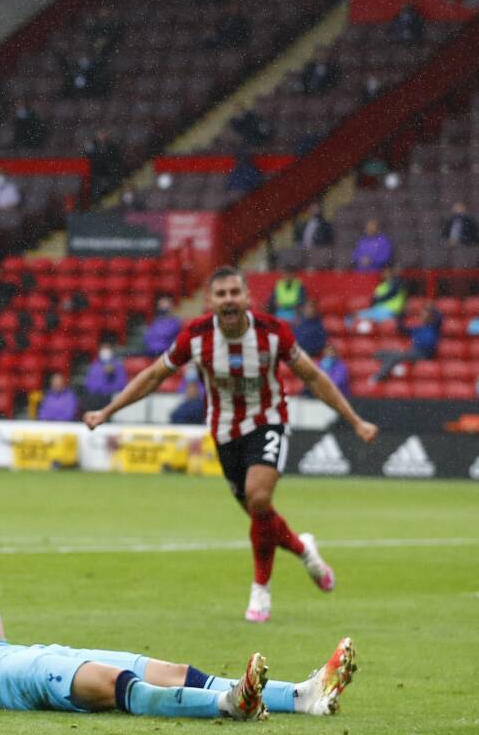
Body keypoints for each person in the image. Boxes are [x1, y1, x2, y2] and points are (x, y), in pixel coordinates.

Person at [0, 529, 358, 722]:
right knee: (117, 689)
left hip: (17, 660)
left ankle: (301, 696)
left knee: (161, 668)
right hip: (14, 682)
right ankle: (228, 705)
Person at [83, 267, 379, 623]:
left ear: (247, 298)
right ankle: (304, 550)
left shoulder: (273, 333)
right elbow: (153, 375)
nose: (228, 300)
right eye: (220, 294)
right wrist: (108, 410)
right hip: (224, 433)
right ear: (210, 302)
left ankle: (260, 592)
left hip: (268, 421)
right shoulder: (195, 336)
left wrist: (356, 420)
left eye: (233, 293)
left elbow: (313, 377)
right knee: (261, 515)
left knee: (258, 497)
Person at [373, 301, 442, 382]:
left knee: (395, 357)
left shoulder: (434, 327)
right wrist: (402, 316)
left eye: (425, 313)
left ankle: (378, 377)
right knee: (381, 353)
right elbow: (402, 329)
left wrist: (432, 308)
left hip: (424, 354)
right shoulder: (417, 329)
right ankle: (389, 369)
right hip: (413, 352)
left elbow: (439, 317)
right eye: (422, 314)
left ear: (430, 316)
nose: (423, 315)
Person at [82, 345, 126, 410]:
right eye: (103, 350)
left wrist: (111, 375)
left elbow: (121, 385)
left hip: (112, 398)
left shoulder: (118, 366)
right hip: (97, 398)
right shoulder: (94, 366)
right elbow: (90, 385)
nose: (105, 353)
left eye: (107, 349)